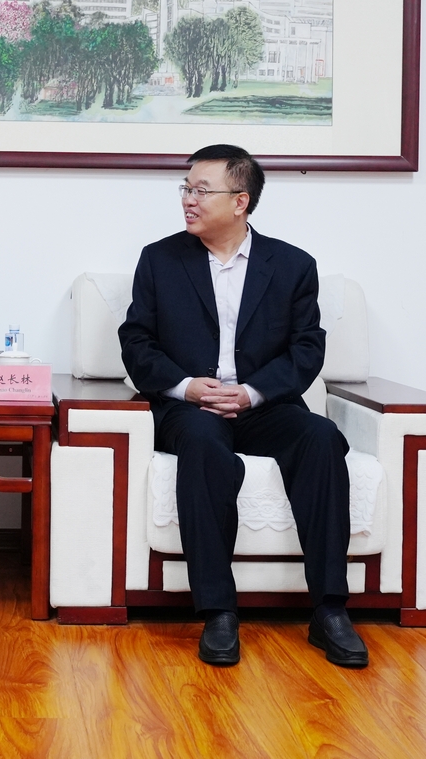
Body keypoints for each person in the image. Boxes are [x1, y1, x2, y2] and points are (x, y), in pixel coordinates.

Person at [118, 144, 368, 669]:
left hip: (264, 404)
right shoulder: (160, 260)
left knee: (321, 438)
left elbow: (307, 348)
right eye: (186, 188)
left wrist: (252, 392)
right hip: (190, 408)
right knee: (204, 446)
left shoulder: (293, 265)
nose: (188, 199)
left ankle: (329, 610)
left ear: (240, 201)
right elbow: (137, 342)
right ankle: (219, 612)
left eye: (200, 190)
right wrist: (187, 387)